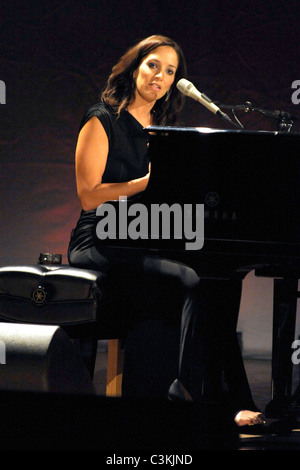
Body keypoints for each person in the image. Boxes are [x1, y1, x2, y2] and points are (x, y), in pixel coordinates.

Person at [68, 34, 265, 427]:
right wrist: (147, 182)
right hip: (100, 235)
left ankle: (228, 399)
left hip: (145, 231)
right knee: (190, 278)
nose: (161, 76)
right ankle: (185, 391)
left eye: (170, 71)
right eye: (153, 65)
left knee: (221, 278)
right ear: (135, 67)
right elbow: (89, 197)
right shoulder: (100, 119)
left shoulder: (165, 130)